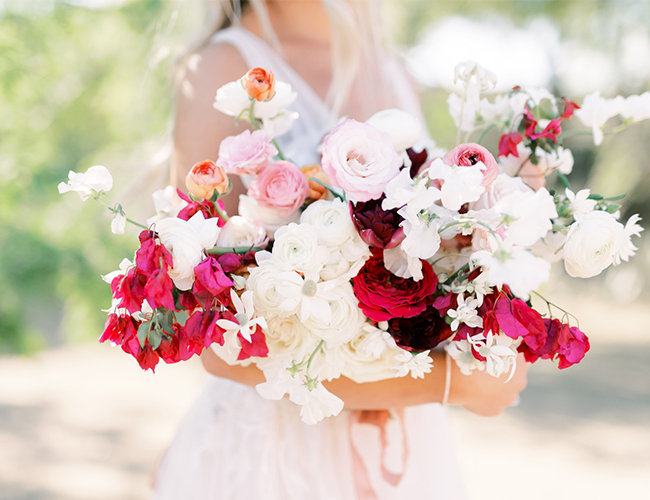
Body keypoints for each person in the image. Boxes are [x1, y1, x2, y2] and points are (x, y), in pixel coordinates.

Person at [153, 1, 529, 498]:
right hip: (277, 452)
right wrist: (451, 384)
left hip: (406, 438)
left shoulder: (394, 72)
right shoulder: (221, 68)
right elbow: (215, 344)